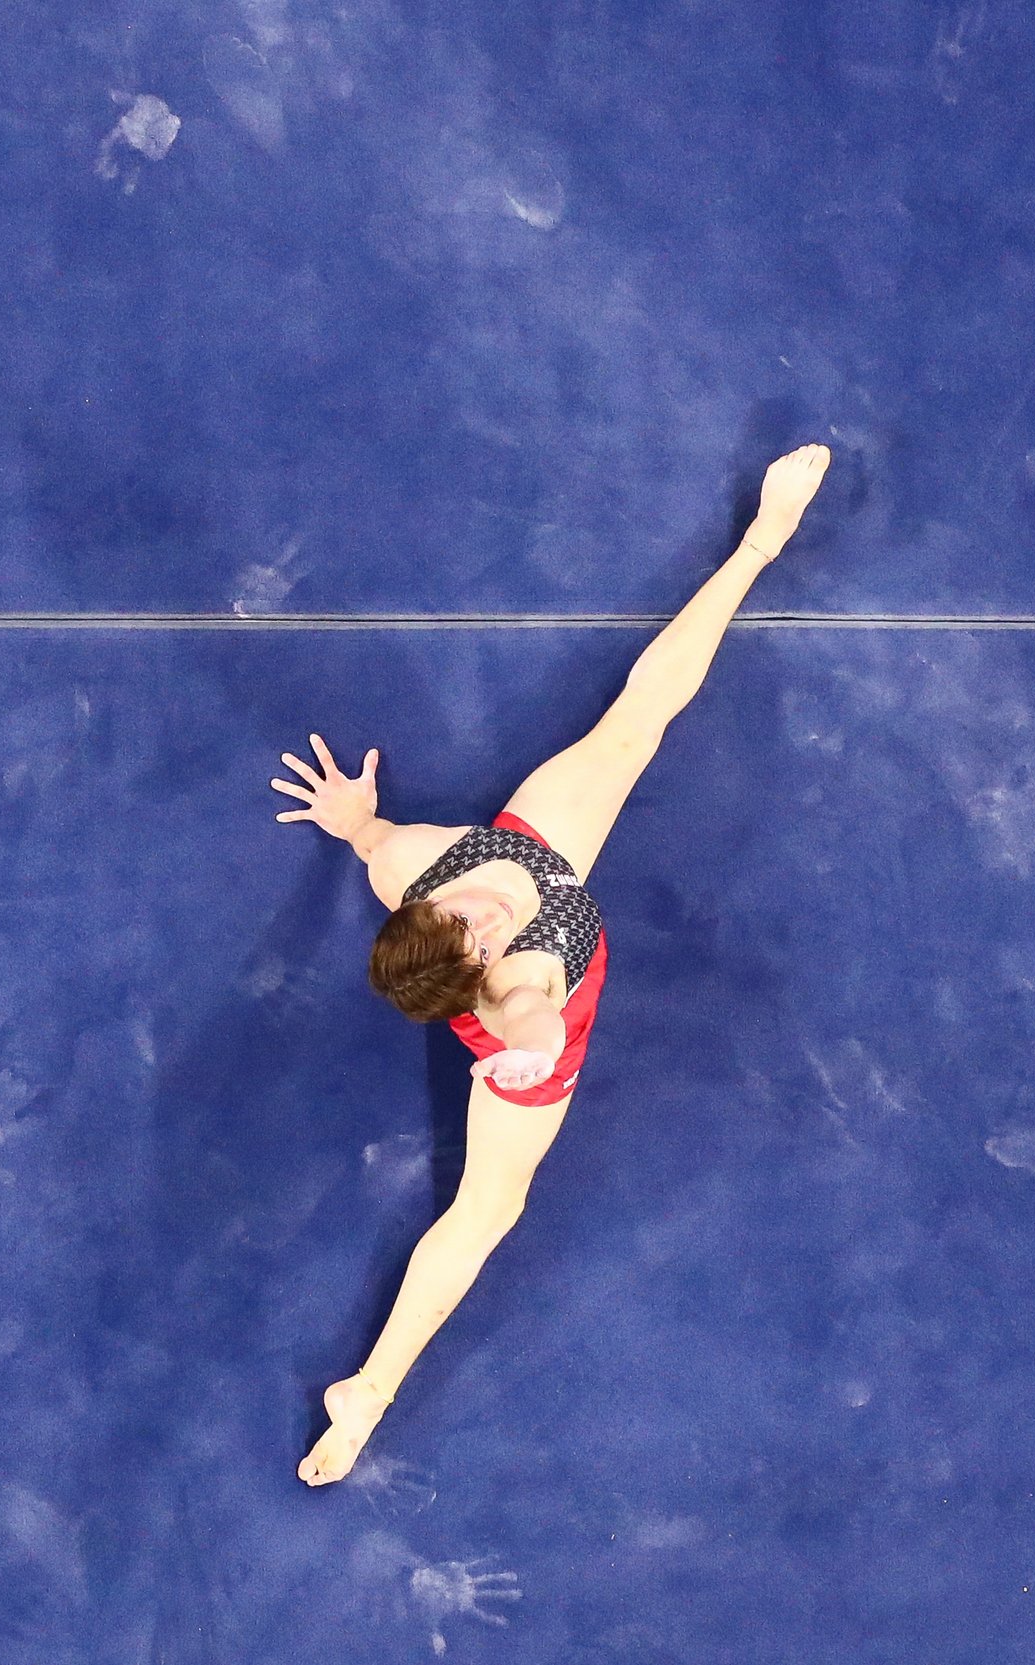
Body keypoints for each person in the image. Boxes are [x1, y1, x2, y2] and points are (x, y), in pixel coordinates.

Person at [270, 443, 834, 1486]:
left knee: (636, 721)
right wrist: (521, 1055)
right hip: (534, 1035)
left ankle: (760, 544)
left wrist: (352, 821)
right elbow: (528, 1019)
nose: (481, 911)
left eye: (457, 911)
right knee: (487, 1210)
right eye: (477, 935)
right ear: (479, 973)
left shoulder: (418, 864)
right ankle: (369, 1391)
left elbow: (376, 840)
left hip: (542, 853)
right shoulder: (518, 986)